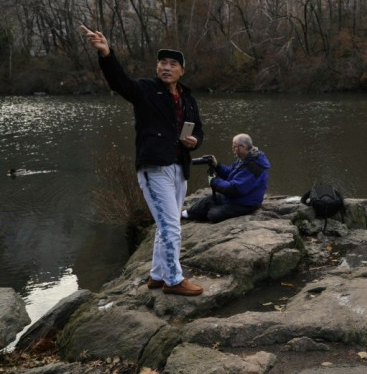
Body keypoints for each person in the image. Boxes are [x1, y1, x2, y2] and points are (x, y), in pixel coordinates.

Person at [81, 25, 205, 296]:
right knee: (171, 226)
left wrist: (194, 141)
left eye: (173, 64)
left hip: (179, 167)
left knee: (166, 225)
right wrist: (106, 54)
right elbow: (119, 82)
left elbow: (198, 130)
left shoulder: (188, 98)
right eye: (162, 62)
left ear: (181, 71)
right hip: (154, 168)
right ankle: (174, 280)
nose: (166, 67)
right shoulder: (147, 90)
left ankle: (157, 276)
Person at [183, 133, 270, 223]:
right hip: (238, 198)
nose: (233, 150)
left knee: (213, 214)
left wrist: (214, 181)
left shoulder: (253, 166)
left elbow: (233, 189)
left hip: (246, 203)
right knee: (208, 200)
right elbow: (230, 173)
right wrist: (217, 166)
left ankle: (199, 214)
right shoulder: (245, 158)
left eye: (234, 147)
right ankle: (185, 214)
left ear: (243, 147)